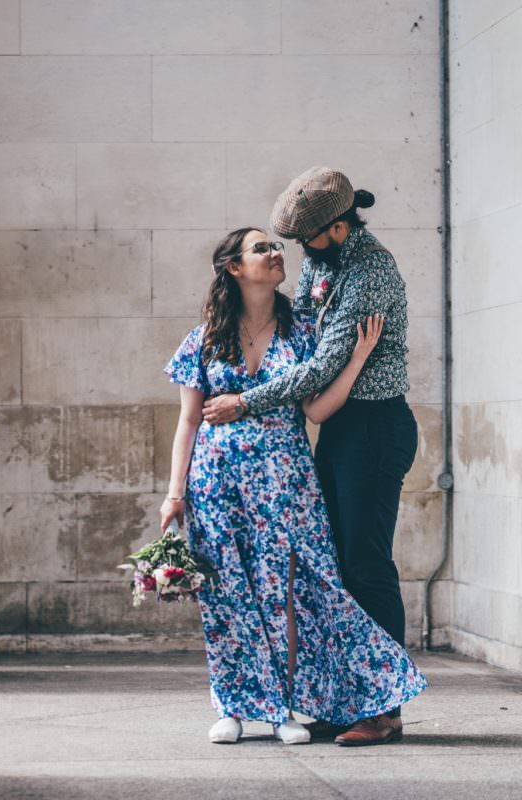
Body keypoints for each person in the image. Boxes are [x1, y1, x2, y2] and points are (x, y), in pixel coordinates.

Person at [161, 225, 427, 746]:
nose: (276, 253)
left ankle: (284, 707)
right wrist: (175, 494)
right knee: (227, 595)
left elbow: (314, 408)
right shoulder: (204, 338)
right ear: (235, 268)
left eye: (277, 245)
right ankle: (232, 706)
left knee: (290, 594)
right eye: (262, 248)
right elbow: (188, 421)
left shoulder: (303, 329)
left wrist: (354, 359)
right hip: (217, 482)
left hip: (286, 484)